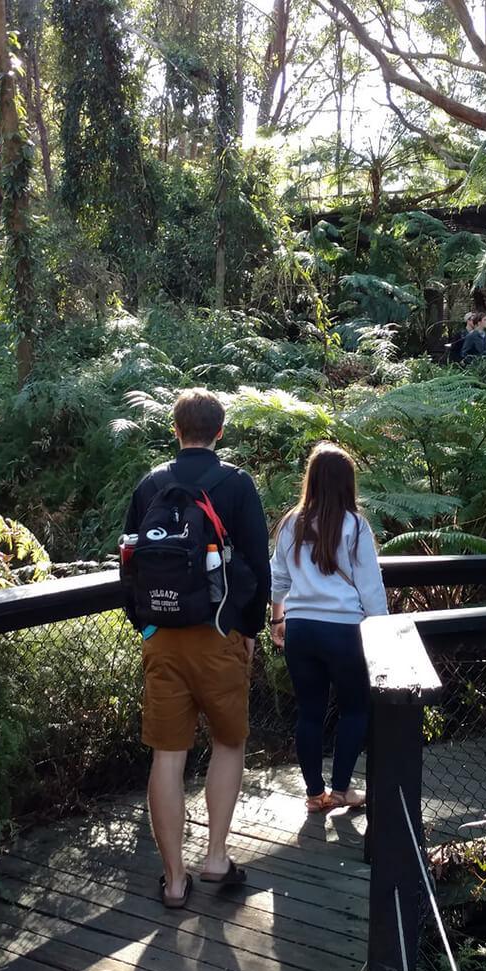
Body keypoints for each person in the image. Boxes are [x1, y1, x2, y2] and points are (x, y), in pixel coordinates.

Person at [121, 388, 269, 908]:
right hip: (219, 634)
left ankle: (173, 880)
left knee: (167, 755)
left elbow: (128, 562)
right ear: (220, 431)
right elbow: (259, 565)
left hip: (162, 639)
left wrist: (146, 627)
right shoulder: (236, 484)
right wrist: (248, 630)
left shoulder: (150, 484)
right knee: (228, 743)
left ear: (176, 429)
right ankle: (216, 858)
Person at [270, 443, 389, 814]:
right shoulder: (355, 525)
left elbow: (278, 577)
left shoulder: (291, 523)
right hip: (343, 630)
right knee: (354, 709)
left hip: (301, 629)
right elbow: (370, 586)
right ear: (347, 483)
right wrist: (382, 629)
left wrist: (277, 618)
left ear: (312, 479)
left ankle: (314, 794)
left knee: (309, 712)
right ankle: (340, 790)